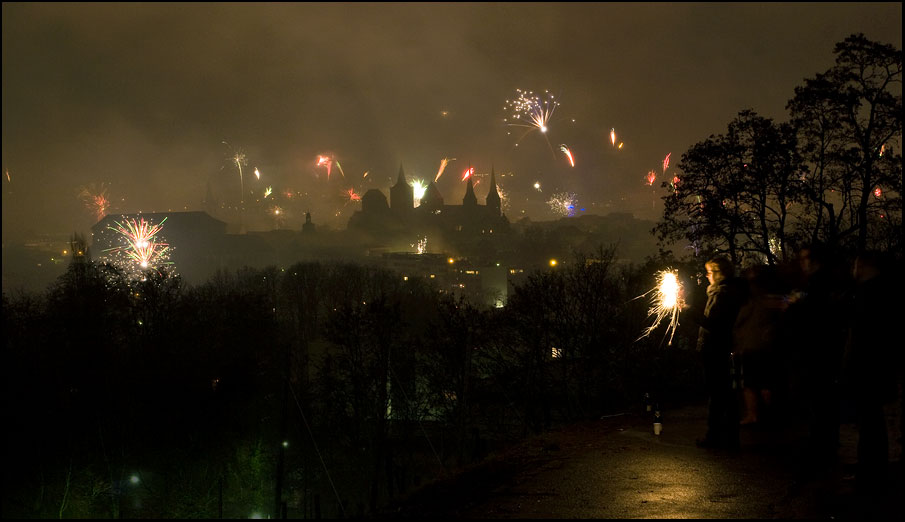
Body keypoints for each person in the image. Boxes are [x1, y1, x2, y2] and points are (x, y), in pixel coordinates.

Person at [843, 251, 899, 492]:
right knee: (872, 421)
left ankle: (870, 473)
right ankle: (872, 469)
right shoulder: (885, 292)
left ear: (862, 266)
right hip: (879, 366)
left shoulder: (867, 294)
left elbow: (860, 335)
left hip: (867, 367)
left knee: (869, 422)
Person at [693, 256, 745, 450]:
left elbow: (715, 324)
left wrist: (690, 312)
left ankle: (716, 435)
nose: (707, 276)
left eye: (709, 272)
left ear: (719, 273)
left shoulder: (723, 294)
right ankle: (729, 436)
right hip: (719, 347)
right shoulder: (722, 292)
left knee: (718, 393)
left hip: (716, 348)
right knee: (724, 393)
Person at [733, 265, 787, 426]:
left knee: (754, 383)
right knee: (762, 382)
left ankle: (756, 414)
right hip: (761, 346)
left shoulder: (755, 301)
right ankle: (764, 414)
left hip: (755, 346)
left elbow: (739, 323)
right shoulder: (767, 299)